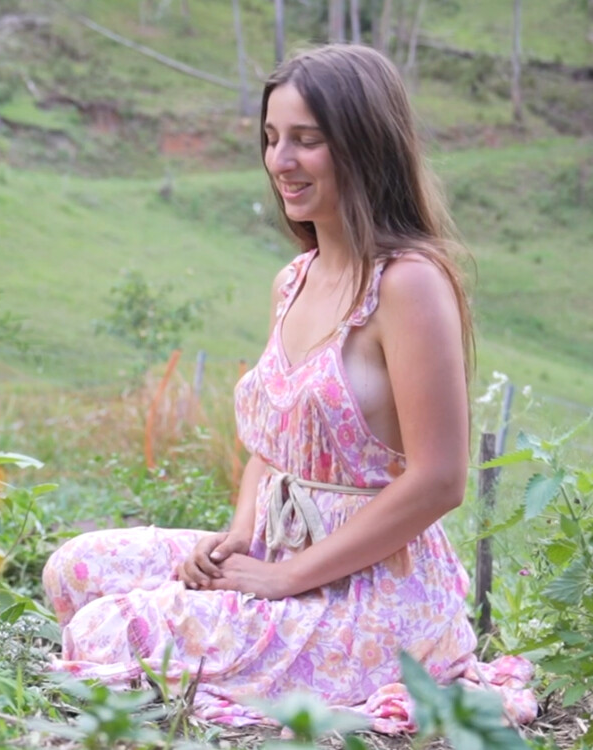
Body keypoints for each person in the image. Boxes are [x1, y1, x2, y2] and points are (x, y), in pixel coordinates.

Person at [41, 44, 536, 733]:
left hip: (373, 590)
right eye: (272, 138)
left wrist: (289, 578)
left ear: (365, 146)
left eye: (307, 140)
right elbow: (275, 446)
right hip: (278, 548)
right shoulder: (293, 280)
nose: (281, 160)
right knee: (73, 570)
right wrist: (241, 537)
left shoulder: (409, 283)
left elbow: (440, 480)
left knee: (105, 630)